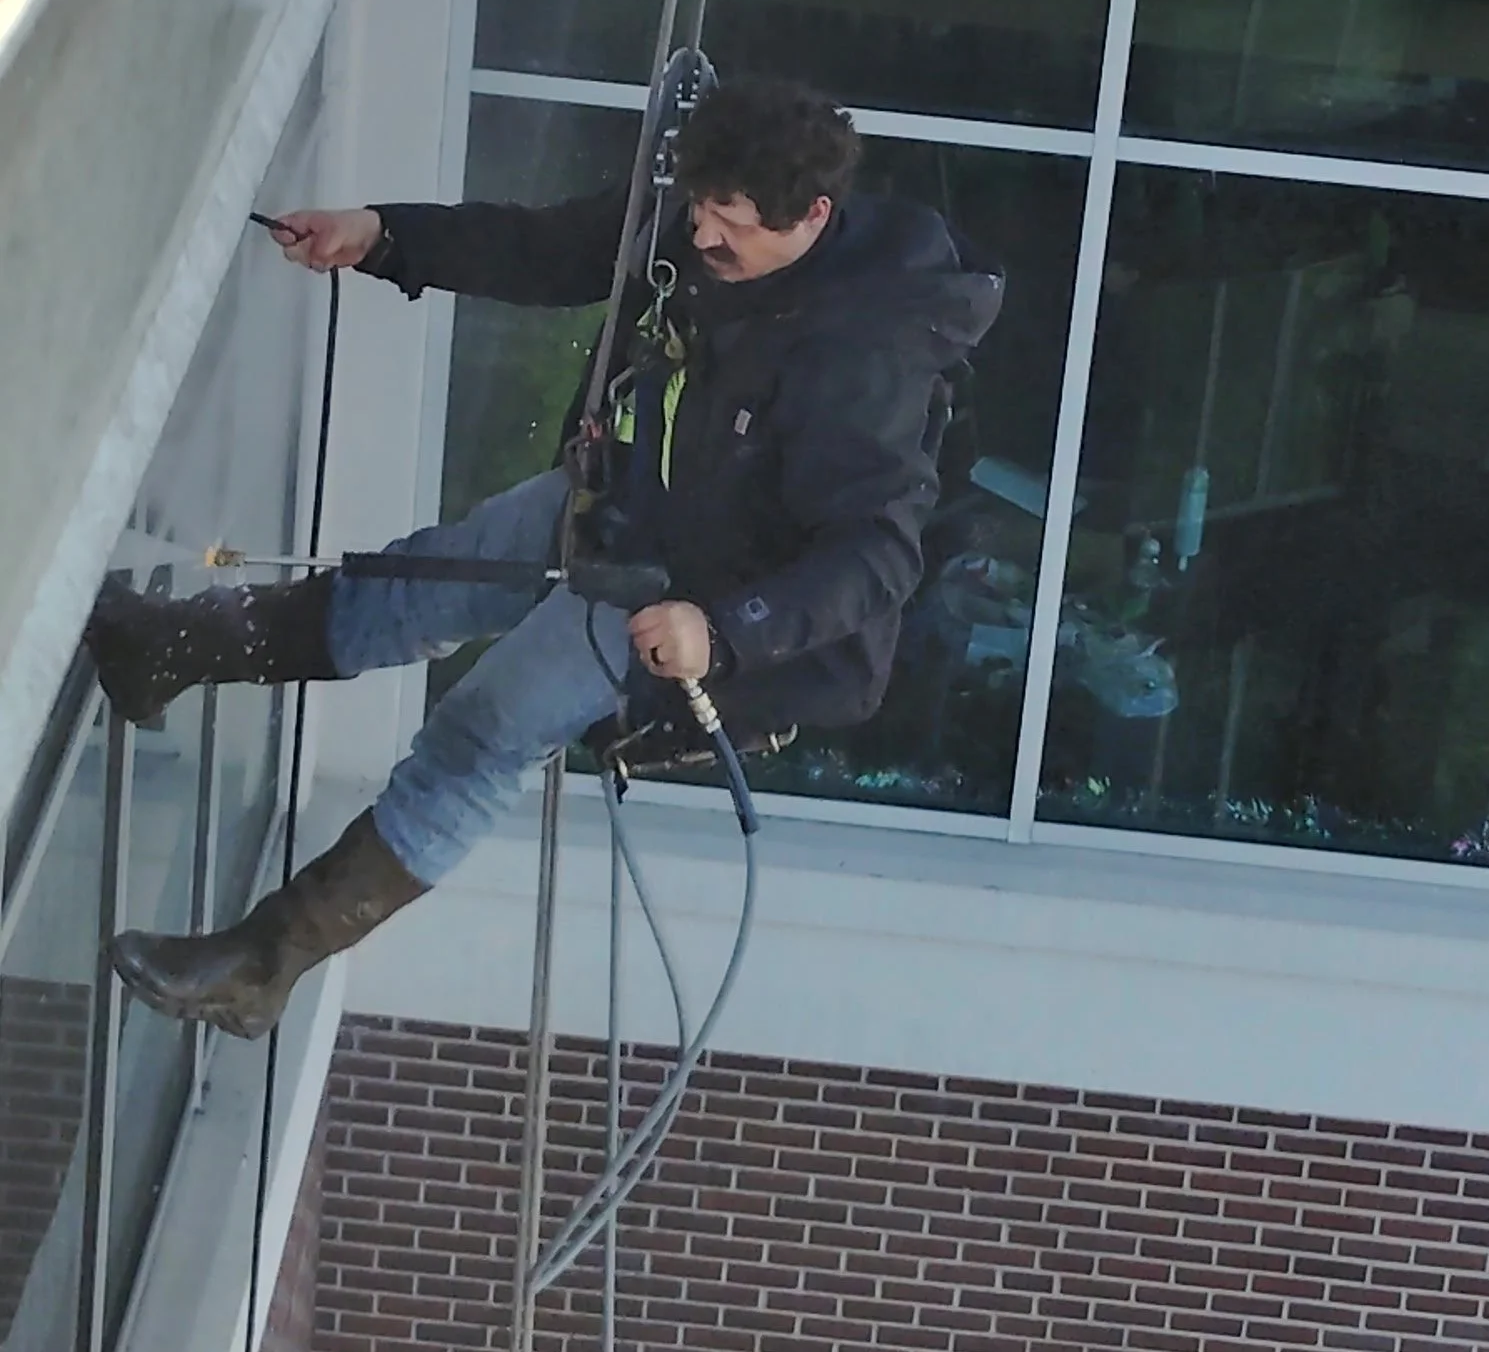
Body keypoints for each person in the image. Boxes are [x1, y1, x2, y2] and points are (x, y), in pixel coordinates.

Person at [86, 80, 1003, 1038]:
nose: (702, 238)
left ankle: (259, 968)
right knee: (409, 584)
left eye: (729, 224)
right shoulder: (702, 226)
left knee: (480, 733)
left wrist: (720, 635)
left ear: (812, 215)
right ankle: (169, 650)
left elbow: (875, 560)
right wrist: (381, 235)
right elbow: (549, 248)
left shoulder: (866, 360)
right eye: (696, 210)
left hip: (686, 598)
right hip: (621, 493)